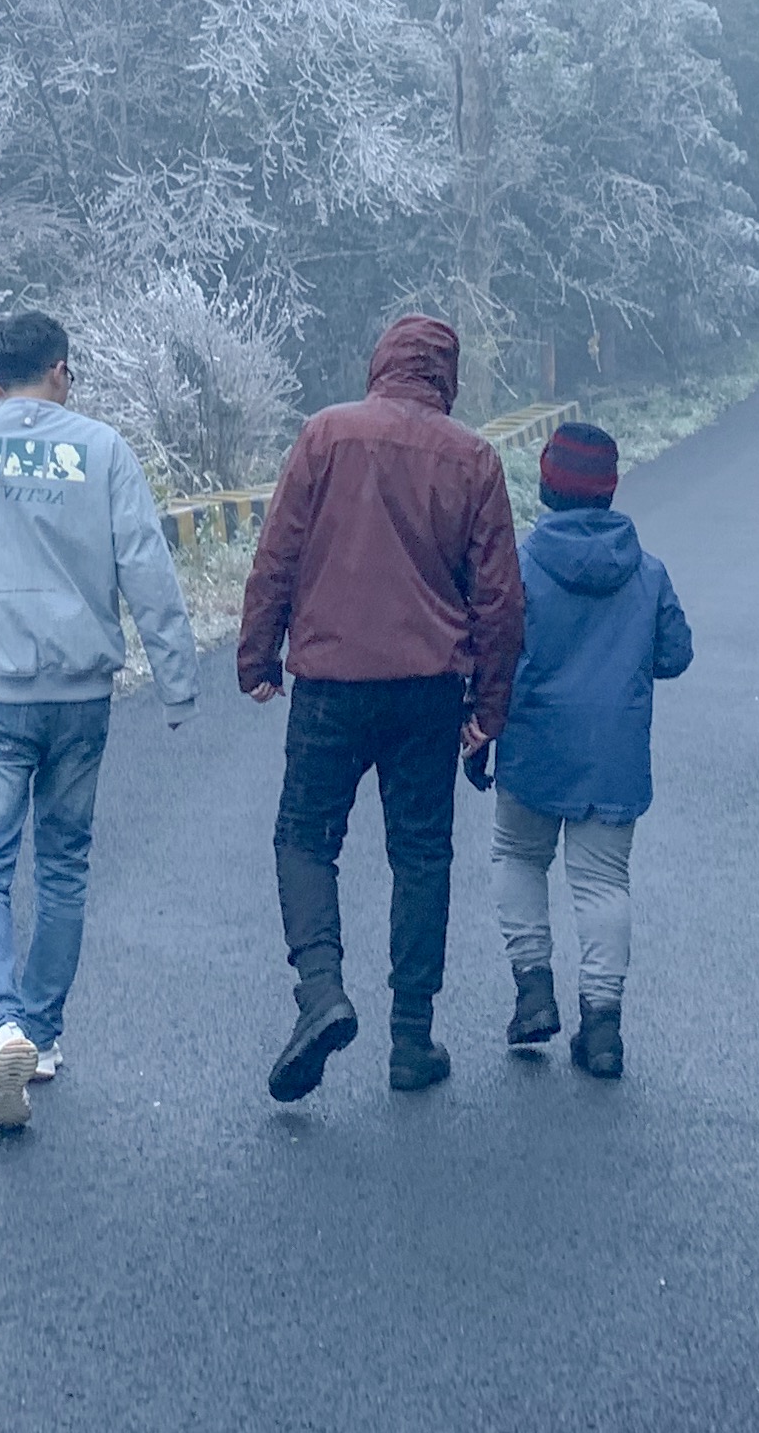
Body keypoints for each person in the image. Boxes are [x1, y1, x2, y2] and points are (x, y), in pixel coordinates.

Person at [0, 306, 201, 1135]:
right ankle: (38, 1031)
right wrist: (177, 683)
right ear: (62, 371)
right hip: (78, 693)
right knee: (64, 862)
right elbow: (146, 565)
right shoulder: (103, 450)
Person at [240, 313, 523, 1102]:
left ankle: (321, 990)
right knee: (422, 853)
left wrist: (258, 653)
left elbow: (278, 552)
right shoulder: (473, 458)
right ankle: (411, 1038)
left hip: (330, 680)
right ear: (446, 376)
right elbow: (500, 600)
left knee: (305, 836)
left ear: (381, 363)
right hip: (429, 688)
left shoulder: (326, 434)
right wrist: (488, 707)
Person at [488, 421, 692, 1081]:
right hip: (614, 753)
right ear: (610, 489)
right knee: (603, 883)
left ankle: (533, 991)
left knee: (519, 855)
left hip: (532, 744)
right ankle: (602, 1029)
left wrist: (480, 724)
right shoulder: (647, 571)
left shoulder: (518, 566)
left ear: (546, 486)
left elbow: (492, 650)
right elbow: (676, 653)